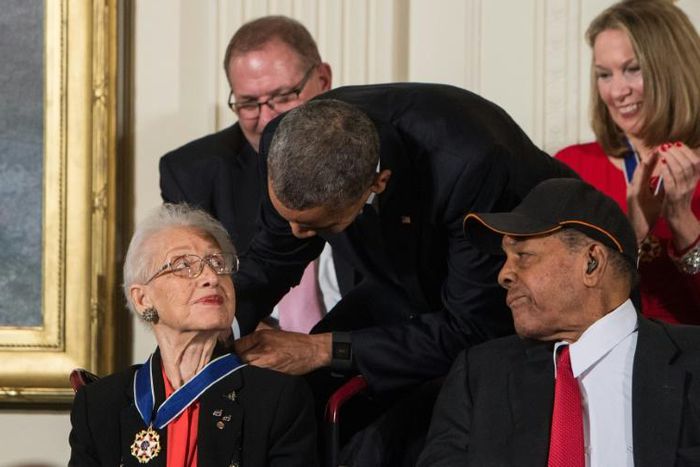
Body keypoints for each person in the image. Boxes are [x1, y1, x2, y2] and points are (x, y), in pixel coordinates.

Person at [231, 84, 575, 458]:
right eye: (288, 218)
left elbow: (469, 327)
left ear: (376, 184)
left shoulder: (470, 163)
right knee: (291, 397)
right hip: (399, 284)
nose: (295, 234)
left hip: (513, 305)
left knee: (385, 444)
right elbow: (271, 257)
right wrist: (219, 327)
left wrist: (322, 348)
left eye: (316, 227)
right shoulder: (284, 140)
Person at [418, 177, 700, 466]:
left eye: (523, 256)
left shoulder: (694, 359)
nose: (503, 275)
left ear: (592, 262)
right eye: (505, 258)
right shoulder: (478, 377)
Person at [68, 204, 317, 466]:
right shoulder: (98, 405)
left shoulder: (277, 399)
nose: (211, 276)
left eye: (218, 263)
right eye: (183, 265)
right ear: (143, 299)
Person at [159, 16, 349, 332]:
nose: (266, 121)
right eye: (249, 103)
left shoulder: (369, 147)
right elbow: (187, 296)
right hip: (255, 356)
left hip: (363, 355)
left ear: (323, 80)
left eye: (283, 97)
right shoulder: (193, 173)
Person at [555, 0, 700, 324]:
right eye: (604, 75)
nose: (617, 91)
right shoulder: (573, 167)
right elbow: (560, 305)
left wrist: (682, 221)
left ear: (672, 69)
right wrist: (631, 232)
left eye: (632, 69)